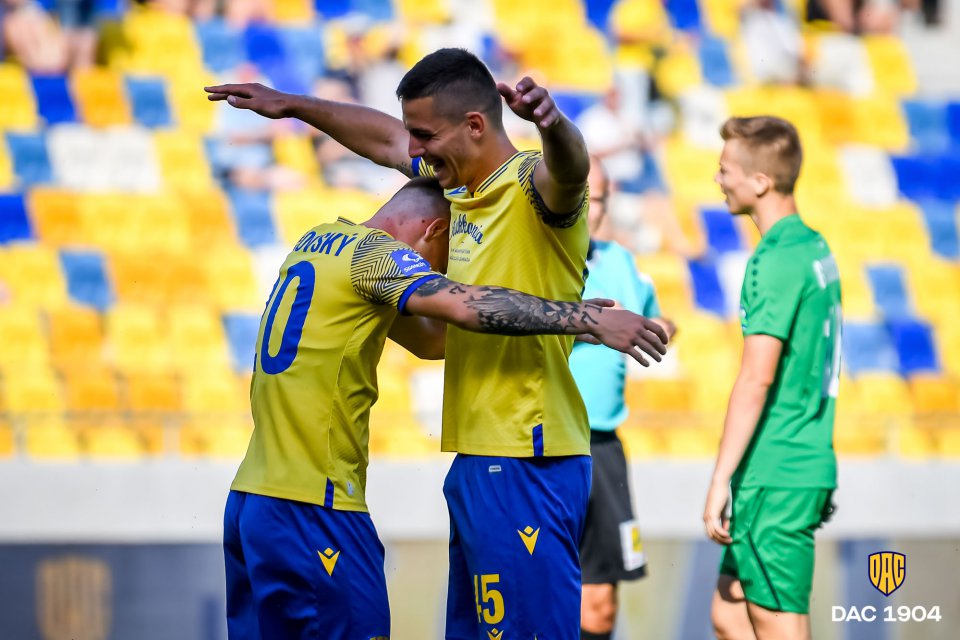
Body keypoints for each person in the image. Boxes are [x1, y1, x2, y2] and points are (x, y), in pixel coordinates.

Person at [208, 48, 669, 639]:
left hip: (529, 451)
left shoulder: (530, 184)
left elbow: (571, 170)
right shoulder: (453, 187)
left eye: (424, 135)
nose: (413, 150)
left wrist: (553, 124)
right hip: (474, 460)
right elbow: (384, 142)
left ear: (474, 125)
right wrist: (294, 106)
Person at [703, 116, 840, 640]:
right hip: (801, 459)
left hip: (774, 472)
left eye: (725, 170)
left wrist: (720, 480)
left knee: (781, 629)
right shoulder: (814, 247)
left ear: (760, 181)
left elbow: (756, 379)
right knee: (729, 614)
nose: (717, 179)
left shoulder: (775, 261)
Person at [573, 157, 676, 640]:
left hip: (601, 447)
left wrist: (656, 328)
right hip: (534, 448)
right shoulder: (530, 260)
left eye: (595, 198)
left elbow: (661, 321)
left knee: (599, 606)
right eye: (576, 194)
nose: (585, 208)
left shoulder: (621, 262)